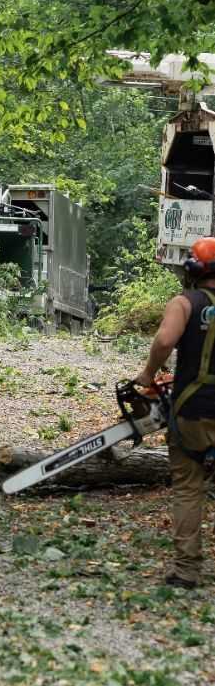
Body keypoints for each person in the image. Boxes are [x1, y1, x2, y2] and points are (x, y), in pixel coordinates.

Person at [134, 236, 215, 589]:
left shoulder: (184, 303)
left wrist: (148, 374)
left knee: (187, 488)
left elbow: (165, 341)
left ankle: (186, 570)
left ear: (193, 269)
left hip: (193, 409)